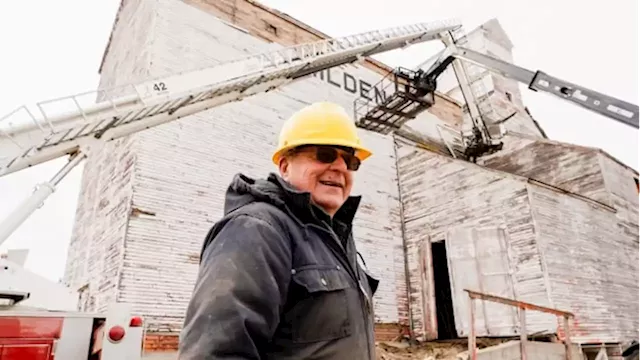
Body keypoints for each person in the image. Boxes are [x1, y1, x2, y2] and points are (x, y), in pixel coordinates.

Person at [178, 101, 380, 359]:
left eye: (350, 161)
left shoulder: (334, 240)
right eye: (325, 155)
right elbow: (215, 353)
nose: (340, 167)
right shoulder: (257, 231)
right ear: (285, 167)